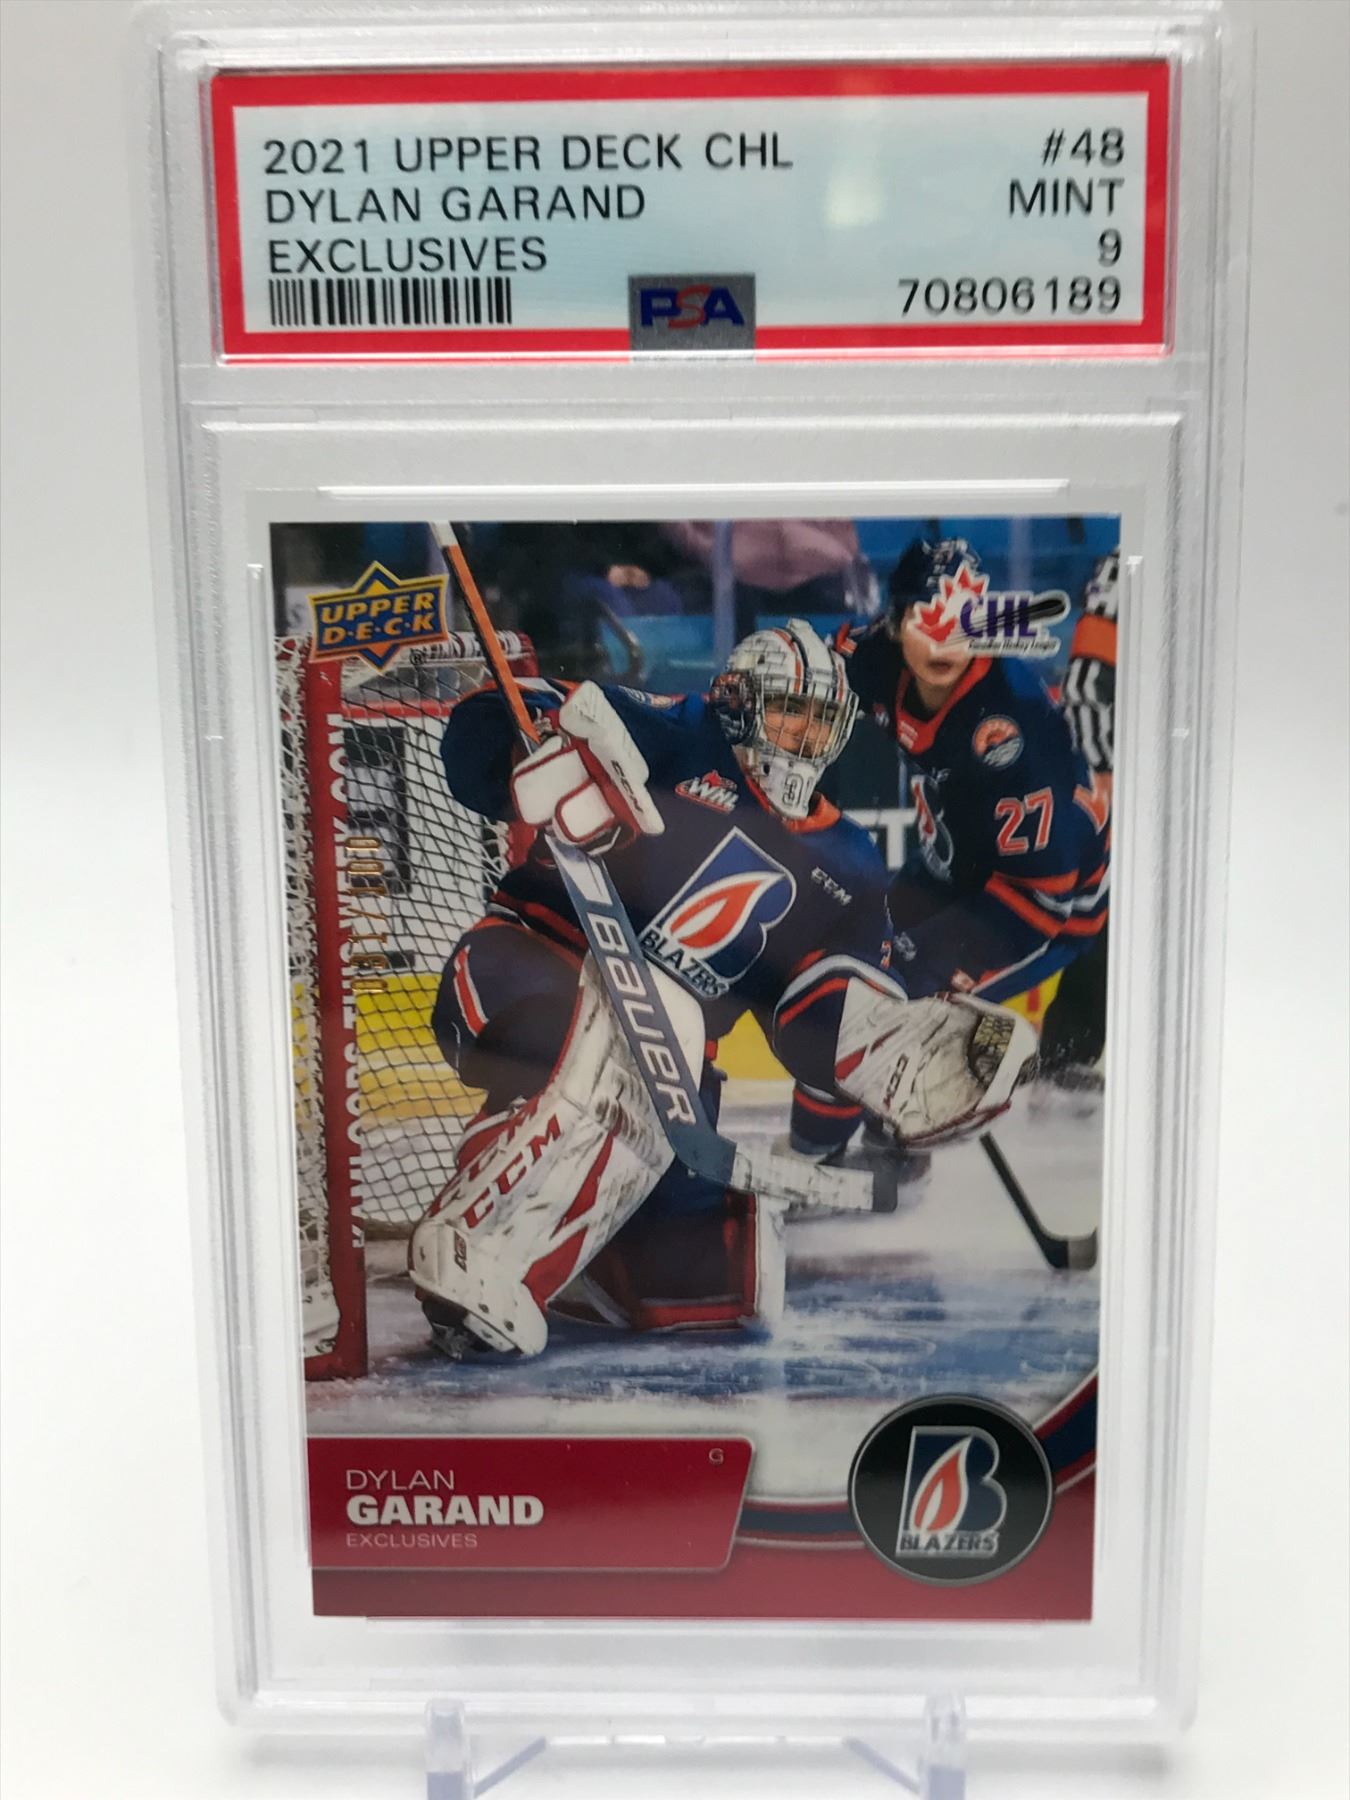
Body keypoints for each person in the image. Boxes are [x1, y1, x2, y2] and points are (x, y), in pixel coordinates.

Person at [408, 619, 1035, 1357]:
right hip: (519, 969)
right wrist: (532, 747)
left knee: (713, 1269)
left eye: (819, 719)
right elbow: (485, 726)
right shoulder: (679, 734)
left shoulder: (850, 863)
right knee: (651, 1037)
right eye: (787, 710)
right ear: (740, 703)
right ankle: (474, 1245)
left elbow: (818, 1014)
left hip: (668, 1076)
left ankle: (578, 1246)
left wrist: (898, 1046)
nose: (803, 735)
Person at [783, 538, 1110, 1163]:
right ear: (894, 620)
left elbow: (1040, 896)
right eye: (926, 620)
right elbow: (795, 680)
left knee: (884, 999)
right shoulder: (873, 656)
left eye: (965, 622)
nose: (946, 643)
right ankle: (847, 1138)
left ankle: (858, 1154)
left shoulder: (1012, 727)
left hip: (1046, 903)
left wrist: (930, 985)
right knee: (844, 962)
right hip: (953, 867)